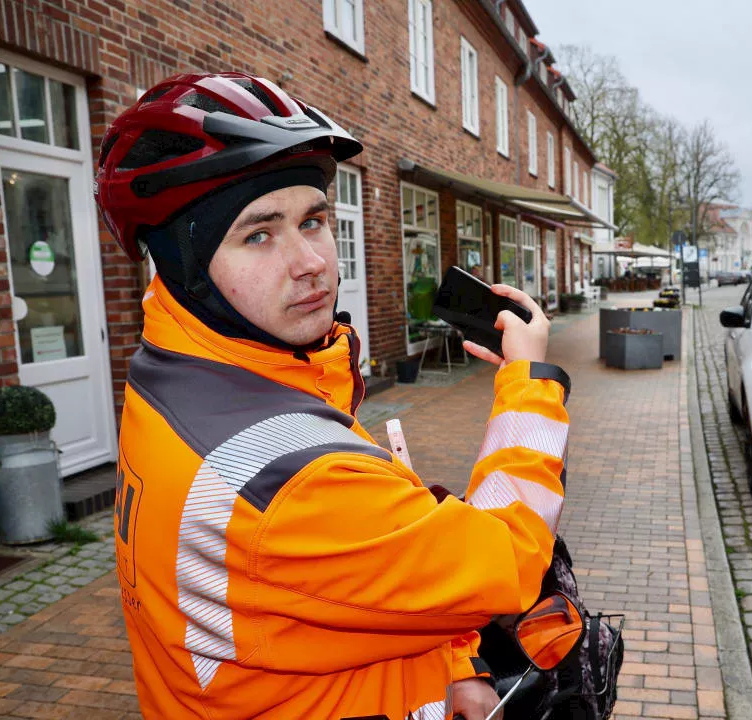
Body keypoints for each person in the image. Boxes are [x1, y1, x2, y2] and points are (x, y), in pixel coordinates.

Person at [95, 72, 569, 720]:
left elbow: (350, 596)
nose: (311, 261)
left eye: (313, 220)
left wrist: (458, 666)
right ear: (185, 264)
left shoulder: (176, 376)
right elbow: (507, 559)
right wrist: (529, 381)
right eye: (258, 234)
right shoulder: (290, 481)